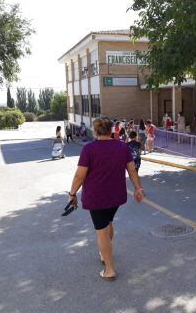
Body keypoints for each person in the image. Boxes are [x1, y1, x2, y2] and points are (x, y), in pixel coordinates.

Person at [67, 118, 143, 281]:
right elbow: (132, 171)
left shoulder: (89, 149)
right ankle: (105, 254)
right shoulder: (122, 147)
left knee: (101, 231)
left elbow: (80, 175)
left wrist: (72, 193)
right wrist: (138, 189)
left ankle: (109, 269)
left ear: (95, 131)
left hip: (97, 198)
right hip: (116, 196)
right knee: (108, 222)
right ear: (112, 131)